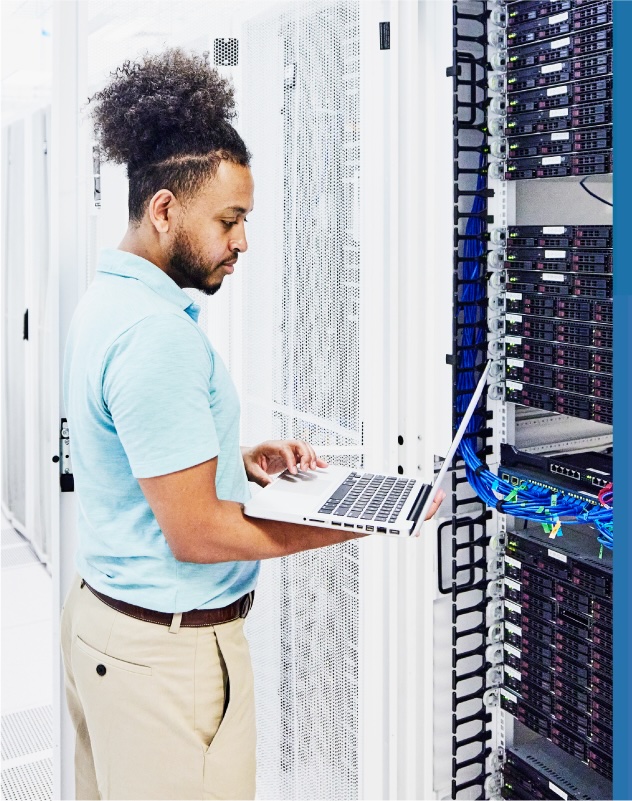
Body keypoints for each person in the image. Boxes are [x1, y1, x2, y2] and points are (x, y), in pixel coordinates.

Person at [60, 49, 443, 801]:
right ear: (164, 208)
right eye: (229, 221)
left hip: (111, 637)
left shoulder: (112, 299)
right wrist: (357, 518)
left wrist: (234, 459)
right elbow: (197, 531)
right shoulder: (155, 333)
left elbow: (137, 449)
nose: (243, 242)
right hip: (163, 665)